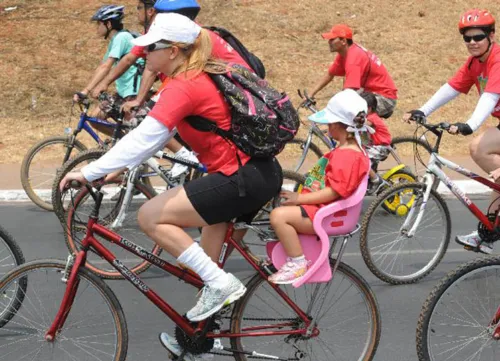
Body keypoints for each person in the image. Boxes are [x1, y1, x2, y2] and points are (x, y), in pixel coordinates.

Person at [59, 13, 282, 358]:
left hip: (241, 178)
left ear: (174, 51)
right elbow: (151, 140)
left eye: (151, 48)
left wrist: (89, 172)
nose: (145, 54)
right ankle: (198, 340)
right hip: (250, 174)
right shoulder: (193, 76)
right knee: (204, 272)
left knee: (151, 216)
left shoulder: (185, 85)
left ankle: (222, 286)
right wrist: (111, 168)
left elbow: (146, 138)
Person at [403, 9, 500, 254]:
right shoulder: (474, 63)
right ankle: (488, 234)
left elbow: (491, 97)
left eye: (478, 36)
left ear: (492, 35)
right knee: (478, 149)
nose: (472, 42)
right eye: (467, 38)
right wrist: (423, 111)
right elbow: (451, 88)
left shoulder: (498, 59)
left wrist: (470, 124)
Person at [268, 89, 370, 284]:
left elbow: (333, 191)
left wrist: (299, 198)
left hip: (326, 215)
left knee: (278, 216)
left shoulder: (347, 155)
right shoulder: (351, 150)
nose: (327, 128)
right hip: (321, 210)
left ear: (338, 126)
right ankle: (288, 254)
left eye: (329, 124)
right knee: (284, 209)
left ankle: (297, 262)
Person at [74, 5, 144, 129]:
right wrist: (88, 89)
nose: (97, 27)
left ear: (109, 25)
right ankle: (119, 144)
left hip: (133, 92)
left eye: (99, 24)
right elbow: (102, 66)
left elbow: (107, 66)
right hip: (122, 92)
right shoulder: (115, 40)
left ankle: (124, 146)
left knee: (133, 130)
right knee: (96, 117)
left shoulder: (122, 38)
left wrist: (86, 90)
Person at [308, 24, 398, 119]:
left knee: (348, 115)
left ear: (343, 41)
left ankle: (375, 132)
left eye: (332, 39)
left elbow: (350, 92)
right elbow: (330, 74)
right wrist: (311, 94)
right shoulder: (344, 53)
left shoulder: (354, 59)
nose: (329, 42)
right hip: (370, 93)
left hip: (384, 98)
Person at [360, 92, 393, 194]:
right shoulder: (369, 116)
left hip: (382, 147)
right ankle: (369, 181)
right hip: (375, 146)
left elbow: (362, 124)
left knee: (361, 160)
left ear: (369, 108)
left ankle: (376, 181)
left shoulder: (371, 118)